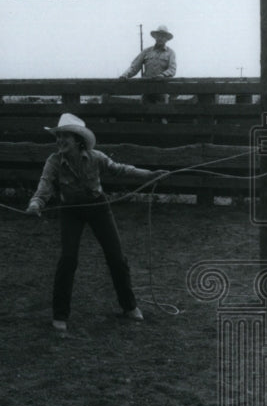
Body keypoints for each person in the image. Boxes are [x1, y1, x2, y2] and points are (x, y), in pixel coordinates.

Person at [25, 113, 169, 332]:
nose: (60, 140)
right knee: (68, 259)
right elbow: (44, 186)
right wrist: (36, 204)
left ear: (78, 140)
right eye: (59, 136)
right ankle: (60, 314)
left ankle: (129, 306)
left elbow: (121, 169)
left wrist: (148, 175)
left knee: (116, 257)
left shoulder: (96, 157)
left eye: (66, 136)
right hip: (70, 211)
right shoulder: (54, 161)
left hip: (98, 208)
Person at [119, 25, 176, 104]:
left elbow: (172, 69)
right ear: (155, 37)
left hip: (162, 89)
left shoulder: (170, 53)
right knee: (144, 113)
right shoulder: (147, 51)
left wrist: (163, 75)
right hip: (146, 88)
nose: (160, 38)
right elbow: (135, 66)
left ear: (166, 39)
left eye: (163, 36)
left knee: (162, 113)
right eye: (159, 35)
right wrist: (125, 75)